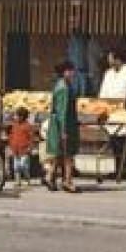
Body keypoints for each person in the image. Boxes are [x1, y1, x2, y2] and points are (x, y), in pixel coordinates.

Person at [45, 61, 80, 192]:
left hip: (59, 124)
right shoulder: (64, 88)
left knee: (59, 154)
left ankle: (50, 177)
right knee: (68, 154)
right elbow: (62, 111)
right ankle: (68, 181)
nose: (73, 73)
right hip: (64, 125)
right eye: (70, 71)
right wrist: (64, 130)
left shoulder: (61, 85)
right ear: (64, 72)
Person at [7, 110, 36, 185]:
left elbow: (32, 137)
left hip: (24, 149)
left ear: (22, 116)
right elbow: (11, 136)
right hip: (15, 149)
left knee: (23, 165)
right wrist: (10, 146)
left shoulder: (28, 126)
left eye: (16, 116)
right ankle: (18, 181)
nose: (15, 117)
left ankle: (27, 178)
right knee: (16, 167)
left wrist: (30, 147)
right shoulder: (14, 125)